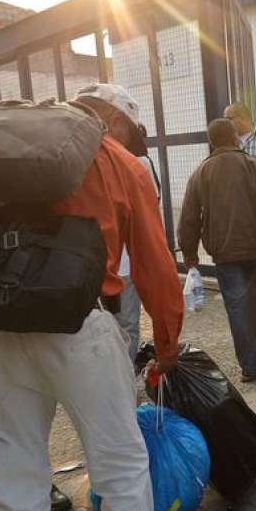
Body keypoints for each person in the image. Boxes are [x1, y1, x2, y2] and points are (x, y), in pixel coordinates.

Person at [0, 99, 184, 511]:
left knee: (12, 477)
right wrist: (166, 341)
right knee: (118, 463)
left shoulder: (1, 157)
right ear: (107, 122)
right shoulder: (118, 161)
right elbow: (155, 264)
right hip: (79, 328)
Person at [178, 118, 256, 382]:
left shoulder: (201, 173)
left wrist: (190, 253)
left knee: (237, 305)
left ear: (212, 141)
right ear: (234, 138)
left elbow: (188, 217)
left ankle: (250, 365)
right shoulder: (253, 166)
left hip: (224, 252)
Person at [73, 83, 161, 363]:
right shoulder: (132, 165)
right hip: (117, 269)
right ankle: (123, 385)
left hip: (53, 278)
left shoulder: (51, 153)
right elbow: (152, 247)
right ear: (117, 121)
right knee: (125, 326)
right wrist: (167, 342)